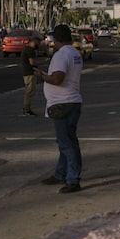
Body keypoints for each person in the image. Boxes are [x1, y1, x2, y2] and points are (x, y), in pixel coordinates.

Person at [34, 24, 84, 194]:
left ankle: (73, 179)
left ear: (56, 39)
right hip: (72, 101)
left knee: (66, 144)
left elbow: (57, 79)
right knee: (67, 141)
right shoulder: (75, 53)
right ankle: (61, 173)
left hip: (62, 103)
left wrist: (41, 76)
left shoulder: (61, 55)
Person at [21, 36, 39, 116]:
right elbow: (32, 62)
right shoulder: (30, 50)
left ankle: (27, 108)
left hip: (27, 72)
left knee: (30, 91)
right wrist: (42, 62)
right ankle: (26, 108)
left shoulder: (26, 49)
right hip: (29, 73)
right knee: (29, 91)